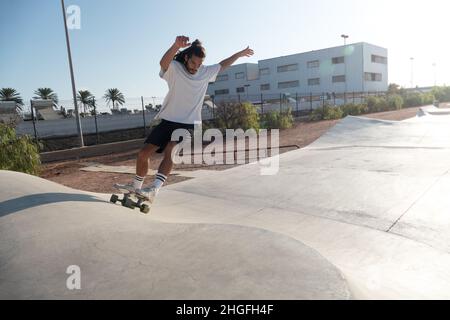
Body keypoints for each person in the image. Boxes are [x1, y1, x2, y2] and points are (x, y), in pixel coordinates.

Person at [114, 35, 254, 203]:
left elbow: (223, 64)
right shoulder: (175, 68)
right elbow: (163, 63)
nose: (196, 67)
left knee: (171, 149)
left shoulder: (205, 73)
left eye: (199, 64)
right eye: (193, 63)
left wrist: (239, 54)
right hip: (167, 121)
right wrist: (175, 46)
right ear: (186, 57)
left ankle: (154, 189)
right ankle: (136, 187)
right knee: (143, 154)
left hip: (189, 124)